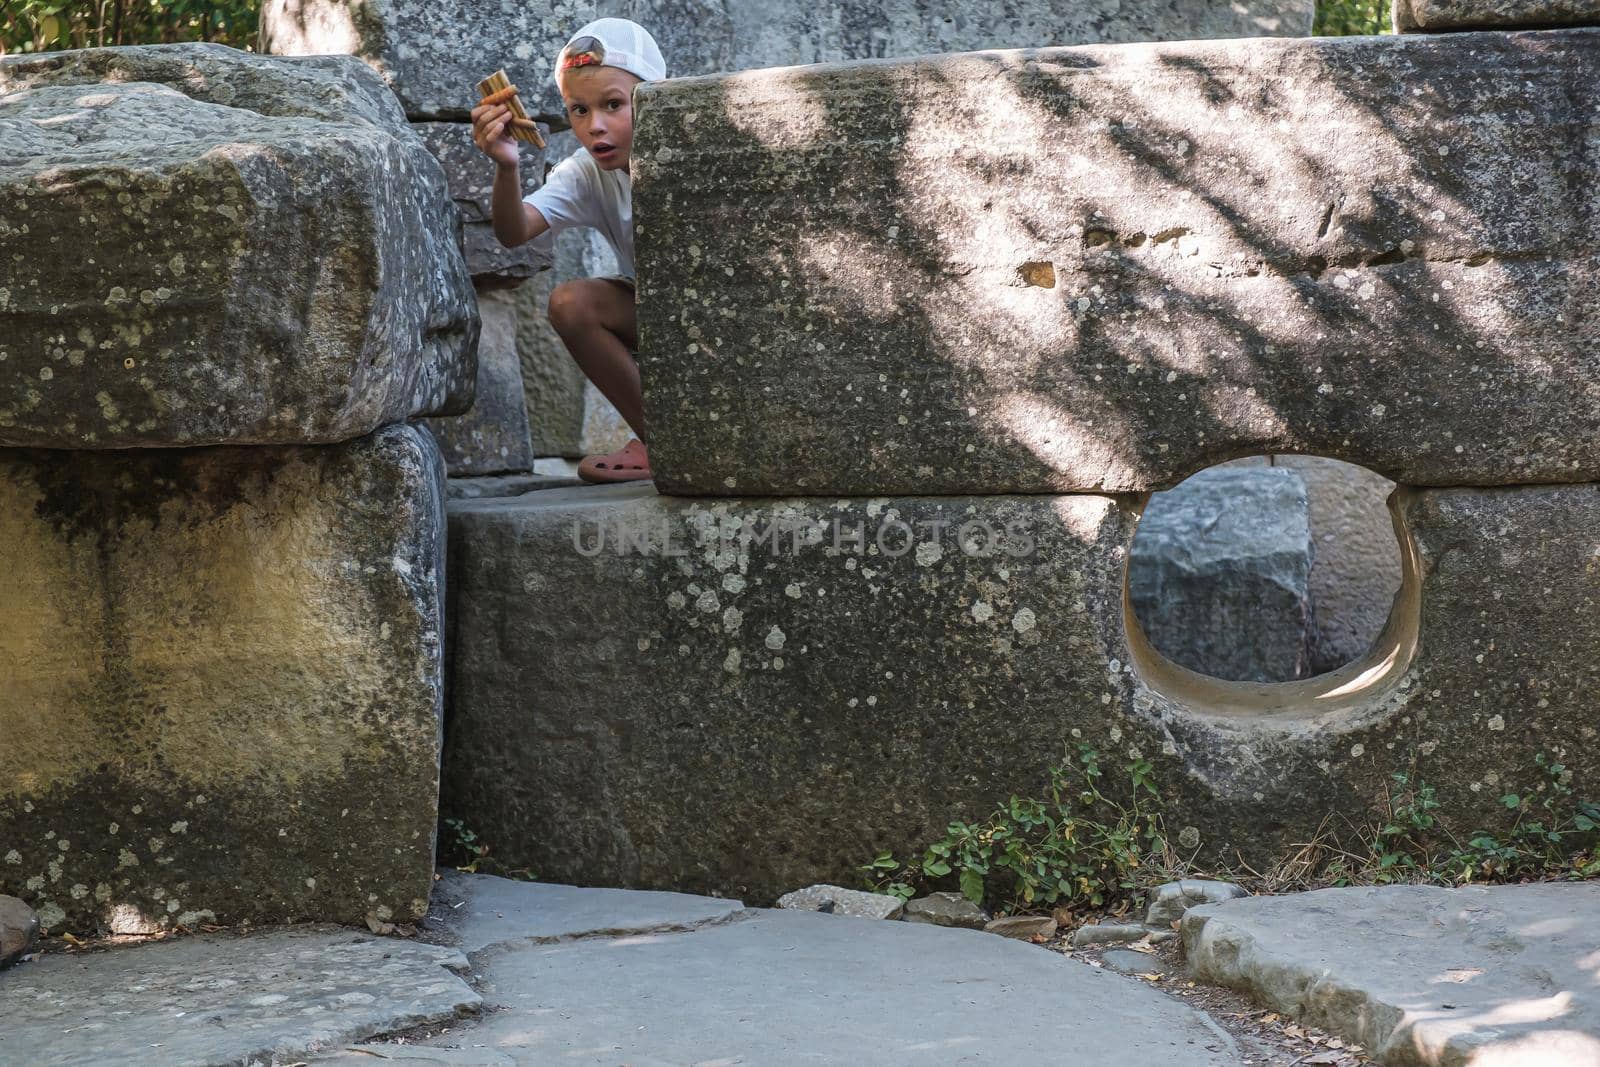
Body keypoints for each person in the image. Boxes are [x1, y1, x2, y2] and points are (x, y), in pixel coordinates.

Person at [470, 18, 662, 483]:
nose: (595, 126)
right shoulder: (586, 172)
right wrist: (507, 167)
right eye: (578, 110)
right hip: (660, 318)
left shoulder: (703, 147)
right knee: (571, 304)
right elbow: (516, 232)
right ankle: (665, 441)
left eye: (613, 105)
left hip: (734, 317)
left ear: (654, 97)